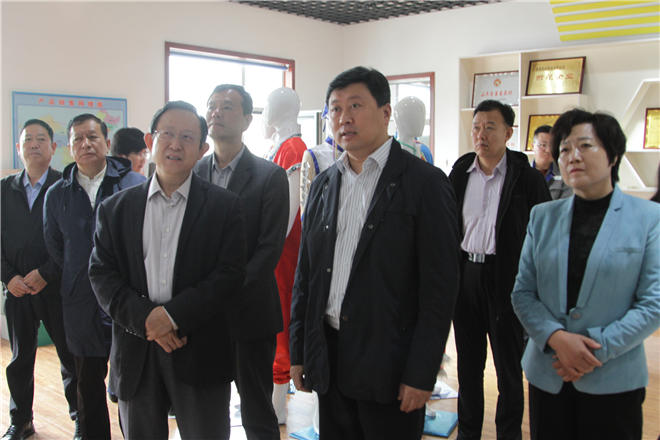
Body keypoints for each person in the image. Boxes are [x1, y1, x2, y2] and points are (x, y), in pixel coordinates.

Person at [290, 66, 460, 439]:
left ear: (385, 113)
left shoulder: (425, 184)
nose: (343, 118)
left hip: (390, 363)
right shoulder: (323, 184)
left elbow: (440, 289)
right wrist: (299, 351)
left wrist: (422, 371)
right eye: (335, 109)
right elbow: (306, 276)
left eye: (355, 105)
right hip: (330, 358)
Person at [88, 101, 246, 439]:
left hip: (200, 348)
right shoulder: (115, 209)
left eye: (187, 137)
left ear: (202, 149)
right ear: (150, 140)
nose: (176, 144)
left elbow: (228, 276)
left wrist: (172, 317)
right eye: (167, 134)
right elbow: (102, 275)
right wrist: (148, 320)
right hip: (136, 349)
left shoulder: (225, 207)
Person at [511, 108, 660, 440]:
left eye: (585, 145)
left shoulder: (649, 218)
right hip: (548, 374)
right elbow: (522, 293)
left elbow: (653, 303)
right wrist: (556, 338)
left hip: (613, 378)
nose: (572, 156)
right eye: (564, 149)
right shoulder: (542, 217)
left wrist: (593, 350)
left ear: (613, 155)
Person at [449, 99, 550, 440]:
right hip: (466, 276)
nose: (481, 134)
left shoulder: (527, 179)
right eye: (476, 127)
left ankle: (509, 434)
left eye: (490, 127)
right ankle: (468, 433)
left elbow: (543, 236)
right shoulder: (460, 173)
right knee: (468, 366)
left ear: (508, 133)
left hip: (506, 279)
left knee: (508, 369)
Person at [195, 84, 288, 440]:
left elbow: (269, 249)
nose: (216, 112)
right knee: (207, 410)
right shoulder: (193, 172)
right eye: (212, 105)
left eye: (227, 106)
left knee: (256, 409)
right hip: (202, 318)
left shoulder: (269, 176)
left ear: (248, 119)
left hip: (250, 313)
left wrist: (219, 292)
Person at [43, 114, 145, 439]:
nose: (85, 144)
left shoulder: (134, 185)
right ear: (70, 147)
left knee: (131, 384)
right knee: (87, 384)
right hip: (80, 301)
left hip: (126, 299)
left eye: (92, 137)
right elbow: (55, 246)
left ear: (107, 142)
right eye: (78, 139)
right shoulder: (57, 194)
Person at [1, 120, 79, 440]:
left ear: (53, 147)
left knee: (70, 358)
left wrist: (47, 273)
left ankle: (81, 420)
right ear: (19, 148)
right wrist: (8, 277)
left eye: (41, 139)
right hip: (17, 289)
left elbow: (75, 240)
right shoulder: (4, 189)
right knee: (20, 359)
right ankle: (21, 421)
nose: (34, 144)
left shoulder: (66, 187)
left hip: (57, 289)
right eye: (28, 140)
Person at [263, 87, 308, 423]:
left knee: (280, 323)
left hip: (282, 254)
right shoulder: (277, 146)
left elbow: (288, 214)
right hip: (270, 253)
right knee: (270, 322)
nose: (264, 111)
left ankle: (277, 404)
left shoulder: (294, 149)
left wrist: (266, 247)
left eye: (268, 105)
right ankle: (271, 399)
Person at [532, 125, 572, 200]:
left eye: (552, 145)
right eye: (543, 145)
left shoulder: (565, 174)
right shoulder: (521, 174)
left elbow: (565, 204)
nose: (548, 150)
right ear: (533, 146)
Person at [393, 96, 433, 163]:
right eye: (414, 117)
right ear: (399, 119)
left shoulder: (424, 151)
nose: (421, 122)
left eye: (422, 117)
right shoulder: (390, 152)